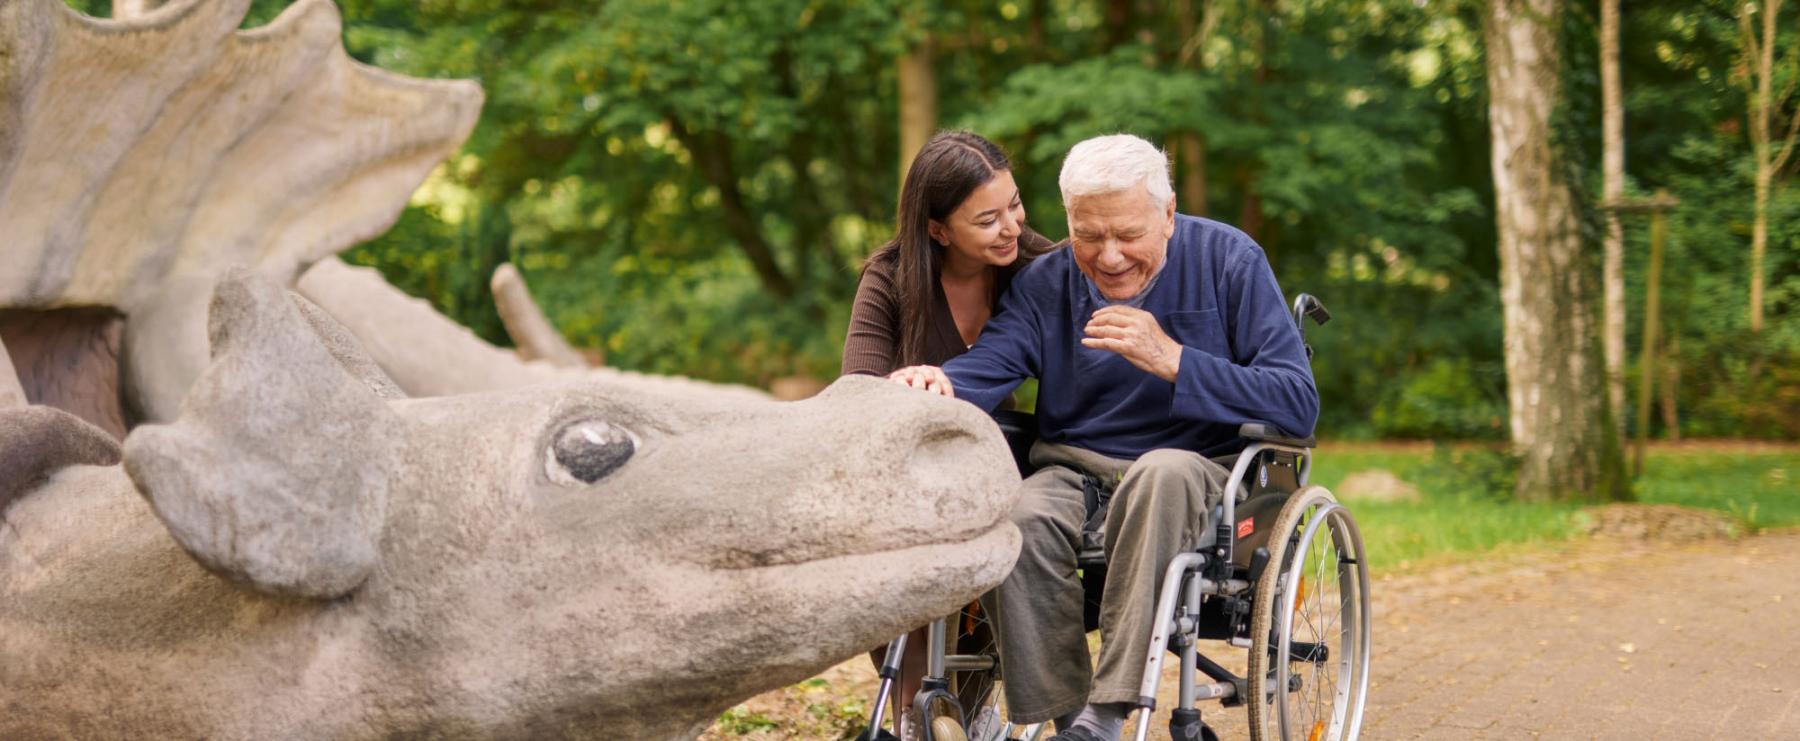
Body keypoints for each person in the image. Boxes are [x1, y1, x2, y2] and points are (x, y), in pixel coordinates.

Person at [887, 133, 1318, 741]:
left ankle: (1111, 710)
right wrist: (939, 382)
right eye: (1088, 235)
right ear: (1067, 221)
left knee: (1160, 473)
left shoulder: (1228, 260)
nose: (1109, 256)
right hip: (1076, 469)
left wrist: (1173, 359)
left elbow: (1297, 403)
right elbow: (992, 361)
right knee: (1022, 516)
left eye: (1127, 235)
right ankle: (1072, 722)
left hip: (1198, 466)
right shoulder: (1047, 282)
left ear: (1167, 215)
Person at [840, 130, 1054, 736]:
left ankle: (955, 699)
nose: (1011, 226)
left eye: (1015, 205)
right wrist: (897, 388)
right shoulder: (888, 278)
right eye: (987, 219)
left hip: (1006, 455)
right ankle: (913, 705)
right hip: (912, 462)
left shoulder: (1041, 266)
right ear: (938, 229)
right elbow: (857, 389)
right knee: (890, 529)